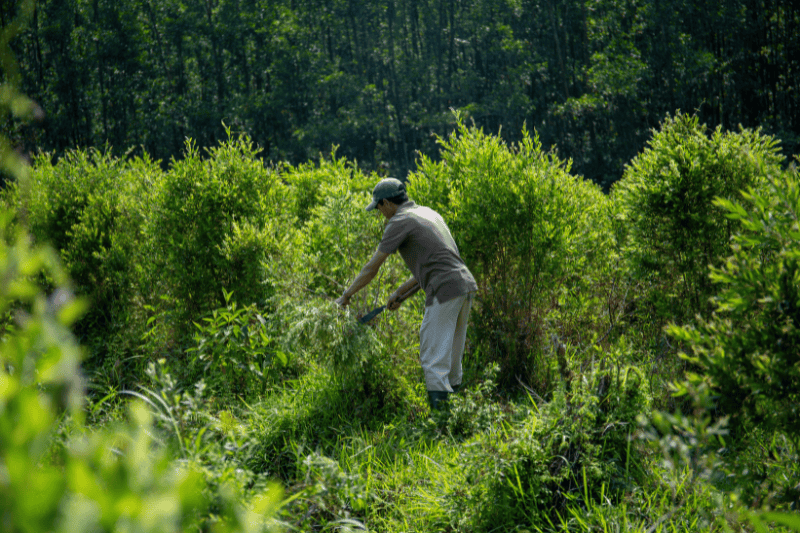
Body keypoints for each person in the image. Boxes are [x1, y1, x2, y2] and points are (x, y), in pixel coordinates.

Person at [335, 178, 478, 410]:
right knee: (451, 359)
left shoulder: (399, 221)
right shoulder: (428, 213)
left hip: (444, 289)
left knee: (432, 358)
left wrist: (346, 295)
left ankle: (441, 424)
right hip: (463, 284)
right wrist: (400, 294)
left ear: (386, 203)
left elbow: (372, 267)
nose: (380, 213)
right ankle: (459, 418)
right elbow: (438, 264)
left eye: (379, 208)